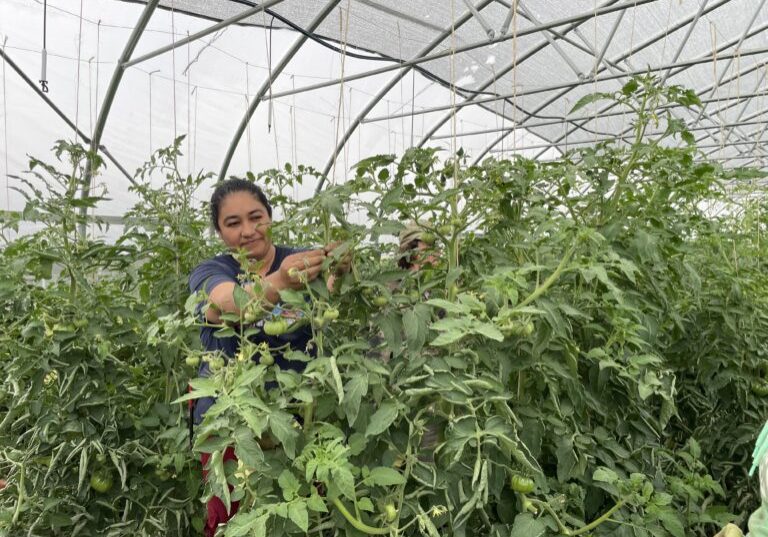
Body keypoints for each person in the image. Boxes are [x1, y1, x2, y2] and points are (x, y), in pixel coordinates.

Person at [187, 178, 347, 537]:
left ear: (270, 217)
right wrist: (281, 283)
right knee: (235, 522)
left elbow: (331, 295)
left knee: (303, 521)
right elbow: (227, 305)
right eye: (233, 223)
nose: (247, 230)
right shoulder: (212, 272)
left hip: (298, 426)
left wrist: (339, 264)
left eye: (256, 217)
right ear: (219, 231)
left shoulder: (301, 261)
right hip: (233, 430)